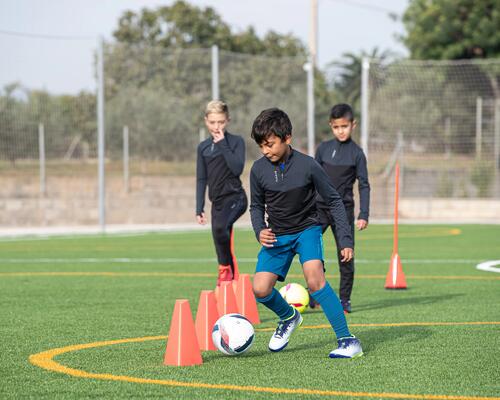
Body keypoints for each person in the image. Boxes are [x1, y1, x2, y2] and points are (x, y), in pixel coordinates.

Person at [249, 107, 363, 358]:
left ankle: (348, 341)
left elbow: (334, 200)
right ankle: (289, 317)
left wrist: (344, 239)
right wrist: (259, 230)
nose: (265, 151)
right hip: (277, 235)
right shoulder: (258, 170)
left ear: (287, 138)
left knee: (315, 280)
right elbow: (256, 205)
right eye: (261, 146)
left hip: (307, 230)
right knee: (260, 289)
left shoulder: (308, 165)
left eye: (270, 144)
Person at [314, 103, 370, 313]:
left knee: (346, 255)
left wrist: (363, 214)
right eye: (337, 127)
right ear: (331, 125)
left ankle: (344, 299)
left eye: (344, 126)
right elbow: (311, 179)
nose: (341, 131)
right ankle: (317, 290)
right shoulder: (323, 149)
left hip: (343, 212)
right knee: (310, 251)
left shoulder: (357, 154)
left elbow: (364, 184)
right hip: (318, 209)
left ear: (353, 125)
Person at [196, 100, 247, 287]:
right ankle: (229, 275)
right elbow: (201, 179)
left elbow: (237, 169)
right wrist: (198, 207)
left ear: (228, 120)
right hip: (217, 202)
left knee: (220, 229)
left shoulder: (236, 142)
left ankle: (225, 270)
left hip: (236, 198)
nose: (216, 127)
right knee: (218, 237)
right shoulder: (203, 148)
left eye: (221, 122)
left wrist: (223, 144)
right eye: (212, 122)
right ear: (205, 121)